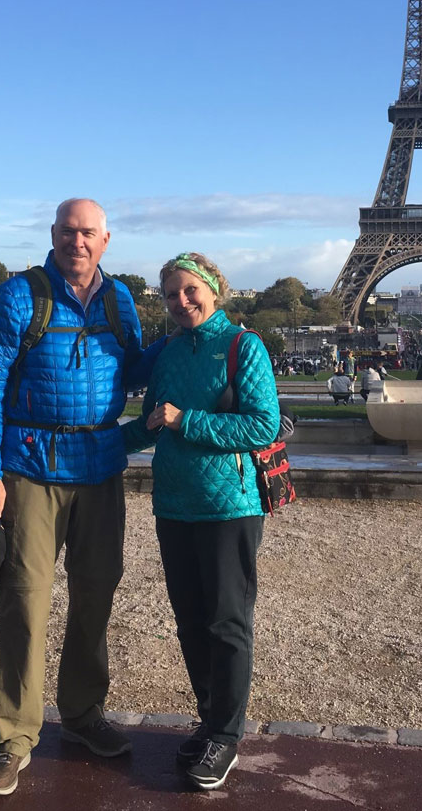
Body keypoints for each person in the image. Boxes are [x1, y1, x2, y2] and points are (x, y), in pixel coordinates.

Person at [0, 198, 160, 798]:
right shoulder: (18, 296)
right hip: (30, 469)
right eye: (69, 232)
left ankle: (81, 713)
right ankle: (15, 736)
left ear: (106, 240)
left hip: (98, 468)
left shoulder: (119, 299)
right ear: (54, 235)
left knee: (96, 595)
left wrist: (193, 335)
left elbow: (130, 372)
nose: (79, 242)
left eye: (89, 233)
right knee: (24, 601)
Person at [124, 253, 279, 791]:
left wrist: (183, 419)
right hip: (175, 504)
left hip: (229, 506)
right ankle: (212, 721)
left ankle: (227, 734)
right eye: (171, 294)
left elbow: (263, 425)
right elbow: (152, 424)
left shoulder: (243, 345)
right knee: (190, 620)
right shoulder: (167, 352)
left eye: (190, 291)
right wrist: (89, 444)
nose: (181, 302)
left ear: (215, 291)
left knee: (225, 621)